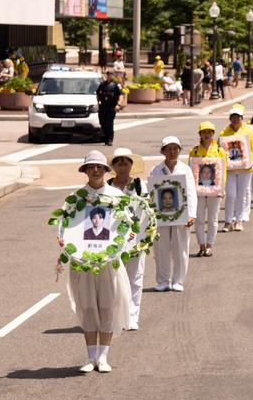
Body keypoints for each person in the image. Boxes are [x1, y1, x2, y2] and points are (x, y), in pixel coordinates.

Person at [60, 151, 133, 373]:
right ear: (85, 170)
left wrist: (127, 236)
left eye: (99, 167)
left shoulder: (116, 196)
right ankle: (90, 356)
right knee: (88, 306)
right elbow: (66, 226)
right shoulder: (75, 198)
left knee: (107, 306)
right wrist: (64, 239)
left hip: (109, 263)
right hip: (84, 262)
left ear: (105, 170)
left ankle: (103, 356)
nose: (95, 170)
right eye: (90, 167)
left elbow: (128, 224)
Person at [150, 136, 197, 292]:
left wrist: (192, 215)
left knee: (180, 248)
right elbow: (153, 193)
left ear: (179, 150)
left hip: (181, 216)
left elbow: (191, 193)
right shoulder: (156, 170)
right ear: (163, 151)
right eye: (168, 149)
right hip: (161, 216)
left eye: (175, 148)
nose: (172, 152)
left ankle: (178, 280)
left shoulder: (186, 169)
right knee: (161, 249)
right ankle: (163, 280)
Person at [108, 147, 148, 330]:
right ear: (114, 166)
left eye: (126, 162)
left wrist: (146, 237)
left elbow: (148, 212)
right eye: (119, 162)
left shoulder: (140, 185)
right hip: (114, 242)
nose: (123, 165)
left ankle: (132, 317)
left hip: (136, 240)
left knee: (135, 279)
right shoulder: (107, 187)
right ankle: (117, 316)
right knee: (114, 280)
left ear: (131, 165)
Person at [219, 105, 253, 233]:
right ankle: (228, 221)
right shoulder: (224, 132)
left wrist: (252, 161)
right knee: (230, 195)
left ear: (242, 118)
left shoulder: (248, 131)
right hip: (230, 169)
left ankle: (239, 220)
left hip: (245, 169)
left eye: (238, 117)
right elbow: (219, 150)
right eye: (233, 117)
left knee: (241, 195)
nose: (235, 120)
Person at [189, 121, 226, 257]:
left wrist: (221, 189)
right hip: (198, 191)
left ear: (213, 134)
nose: (207, 134)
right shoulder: (195, 151)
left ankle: (209, 245)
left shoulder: (219, 150)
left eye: (209, 132)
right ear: (200, 134)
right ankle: (201, 245)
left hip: (214, 191)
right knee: (199, 219)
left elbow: (224, 171)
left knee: (212, 219)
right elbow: (190, 170)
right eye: (204, 132)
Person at [95, 69, 122, 146]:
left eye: (111, 74)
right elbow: (98, 93)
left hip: (111, 107)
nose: (110, 76)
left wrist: (118, 104)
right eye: (108, 74)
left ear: (113, 75)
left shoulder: (116, 85)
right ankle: (106, 137)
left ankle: (109, 139)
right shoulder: (103, 84)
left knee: (109, 123)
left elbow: (121, 95)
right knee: (102, 123)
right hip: (103, 107)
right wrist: (98, 102)